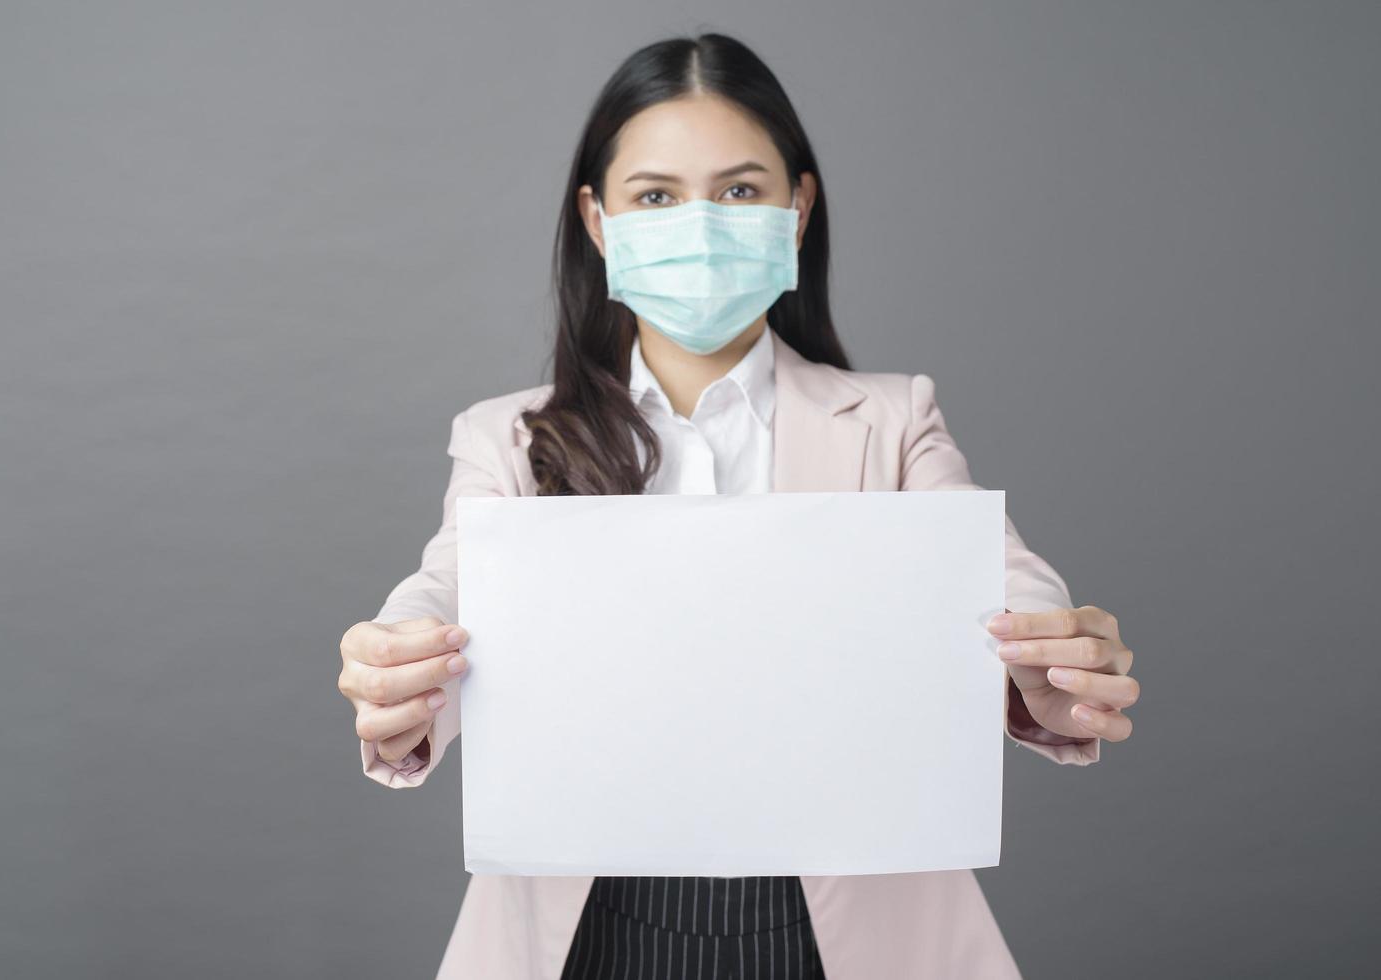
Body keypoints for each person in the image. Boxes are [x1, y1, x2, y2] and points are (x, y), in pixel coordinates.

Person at [336, 32, 1140, 980]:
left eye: (741, 189)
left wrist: (1047, 655)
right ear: (598, 220)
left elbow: (988, 563)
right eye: (656, 196)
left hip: (846, 934)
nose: (701, 223)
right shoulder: (508, 438)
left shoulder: (890, 417)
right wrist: (397, 657)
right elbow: (450, 585)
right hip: (587, 929)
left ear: (798, 207)